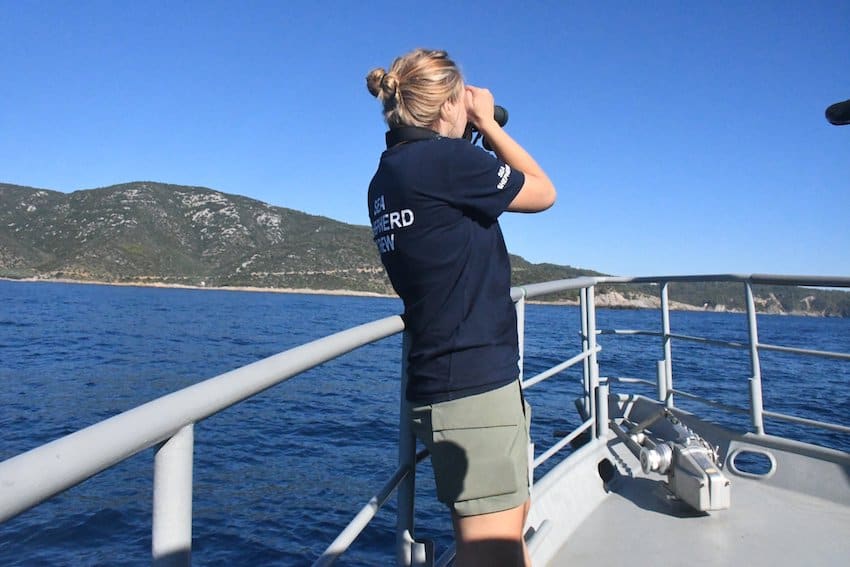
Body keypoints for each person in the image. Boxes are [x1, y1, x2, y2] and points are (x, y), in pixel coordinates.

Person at [365, 48, 556, 567]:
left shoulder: (387, 177)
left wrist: (468, 131)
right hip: (474, 387)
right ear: (449, 103)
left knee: (505, 529)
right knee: (493, 552)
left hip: (450, 381)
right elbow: (543, 192)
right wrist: (488, 124)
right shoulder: (445, 162)